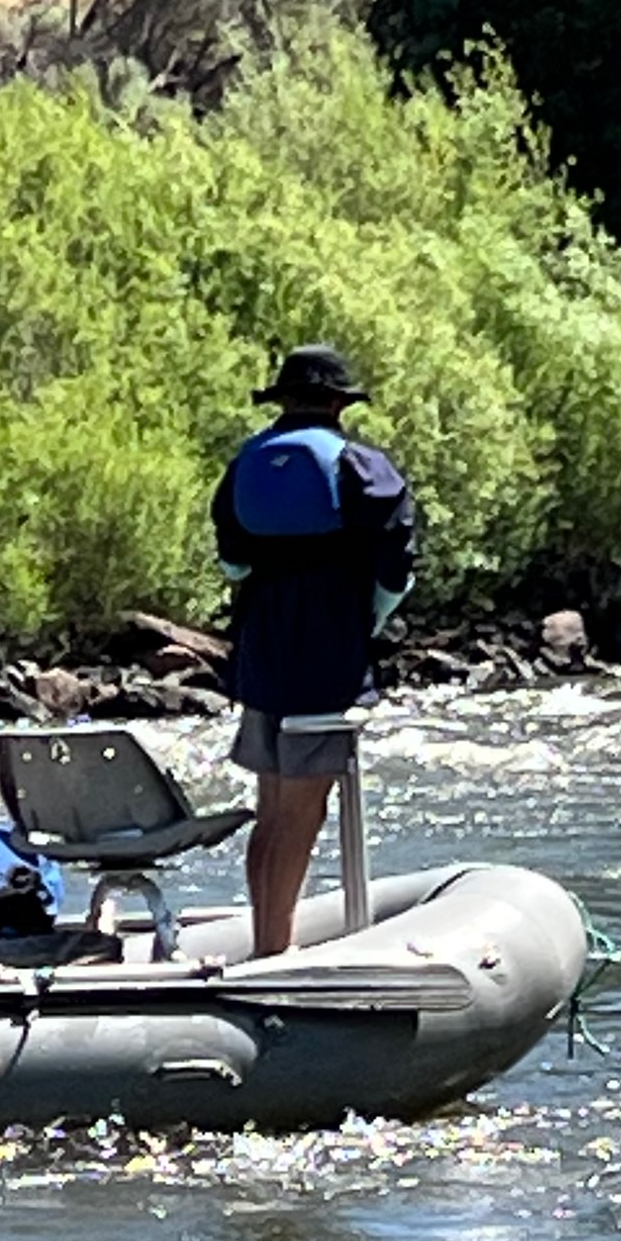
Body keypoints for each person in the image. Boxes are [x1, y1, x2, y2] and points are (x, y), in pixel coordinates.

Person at [213, 344, 420, 959]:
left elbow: (233, 561)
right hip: (326, 650)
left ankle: (265, 939)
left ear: (284, 401)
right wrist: (372, 618)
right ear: (337, 404)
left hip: (261, 648)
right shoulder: (360, 465)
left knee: (273, 809)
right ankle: (273, 957)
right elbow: (397, 561)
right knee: (303, 812)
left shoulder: (247, 461)